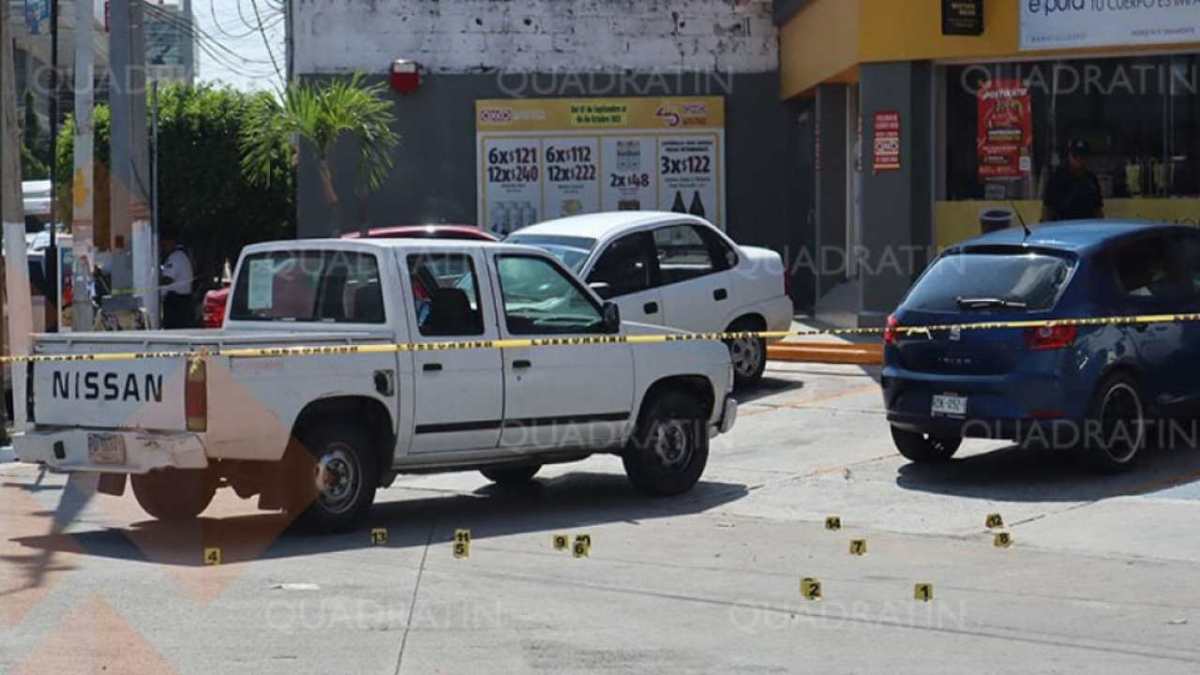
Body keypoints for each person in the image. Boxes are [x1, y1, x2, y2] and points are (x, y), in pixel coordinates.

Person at [1042, 138, 1105, 222]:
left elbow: (1097, 209)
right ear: (1069, 156)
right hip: (1062, 227)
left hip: (1087, 228)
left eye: (1082, 156)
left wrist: (1100, 227)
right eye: (1075, 156)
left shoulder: (1091, 179)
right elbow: (1048, 208)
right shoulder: (1057, 178)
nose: (1079, 159)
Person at [159, 229, 195, 328]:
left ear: (171, 242)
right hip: (179, 302)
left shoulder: (176, 257)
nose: (163, 247)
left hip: (177, 303)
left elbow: (167, 279)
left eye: (164, 243)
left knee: (174, 330)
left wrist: (152, 283)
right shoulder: (179, 256)